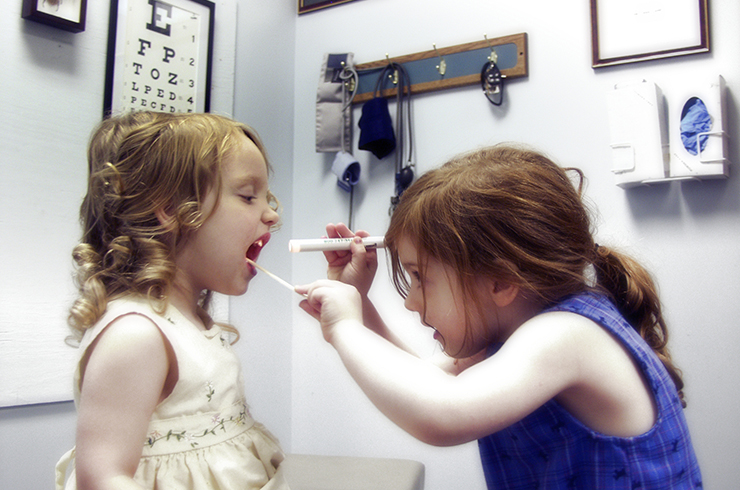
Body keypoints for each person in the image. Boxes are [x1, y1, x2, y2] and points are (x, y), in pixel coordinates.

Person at [297, 144, 702, 489]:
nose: (411, 302)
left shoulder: (567, 336)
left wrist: (345, 327)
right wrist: (357, 300)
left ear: (502, 281)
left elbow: (442, 412)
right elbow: (425, 380)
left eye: (420, 278)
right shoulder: (515, 336)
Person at [55, 111, 289, 490]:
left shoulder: (191, 322)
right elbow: (101, 479)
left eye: (267, 197)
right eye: (248, 196)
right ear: (172, 209)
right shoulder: (136, 334)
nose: (272, 215)